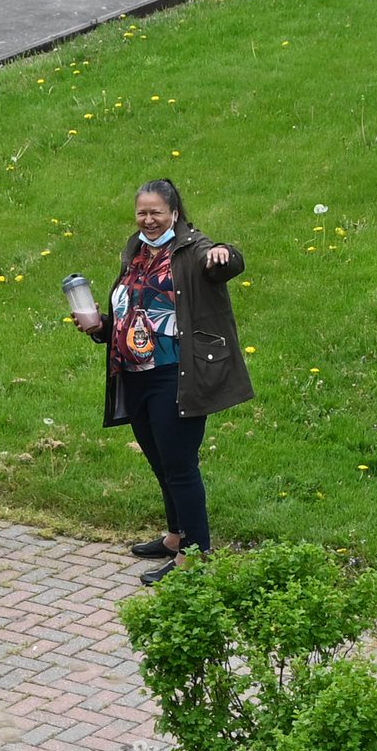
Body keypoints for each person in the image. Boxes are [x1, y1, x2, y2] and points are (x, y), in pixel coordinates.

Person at [76, 178, 253, 585]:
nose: (149, 219)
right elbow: (134, 311)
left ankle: (196, 555)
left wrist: (225, 255)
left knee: (180, 466)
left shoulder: (192, 250)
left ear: (175, 213)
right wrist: (101, 326)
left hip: (176, 375)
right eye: (142, 212)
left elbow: (225, 260)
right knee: (160, 461)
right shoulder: (136, 250)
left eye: (157, 212)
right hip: (135, 374)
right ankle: (175, 537)